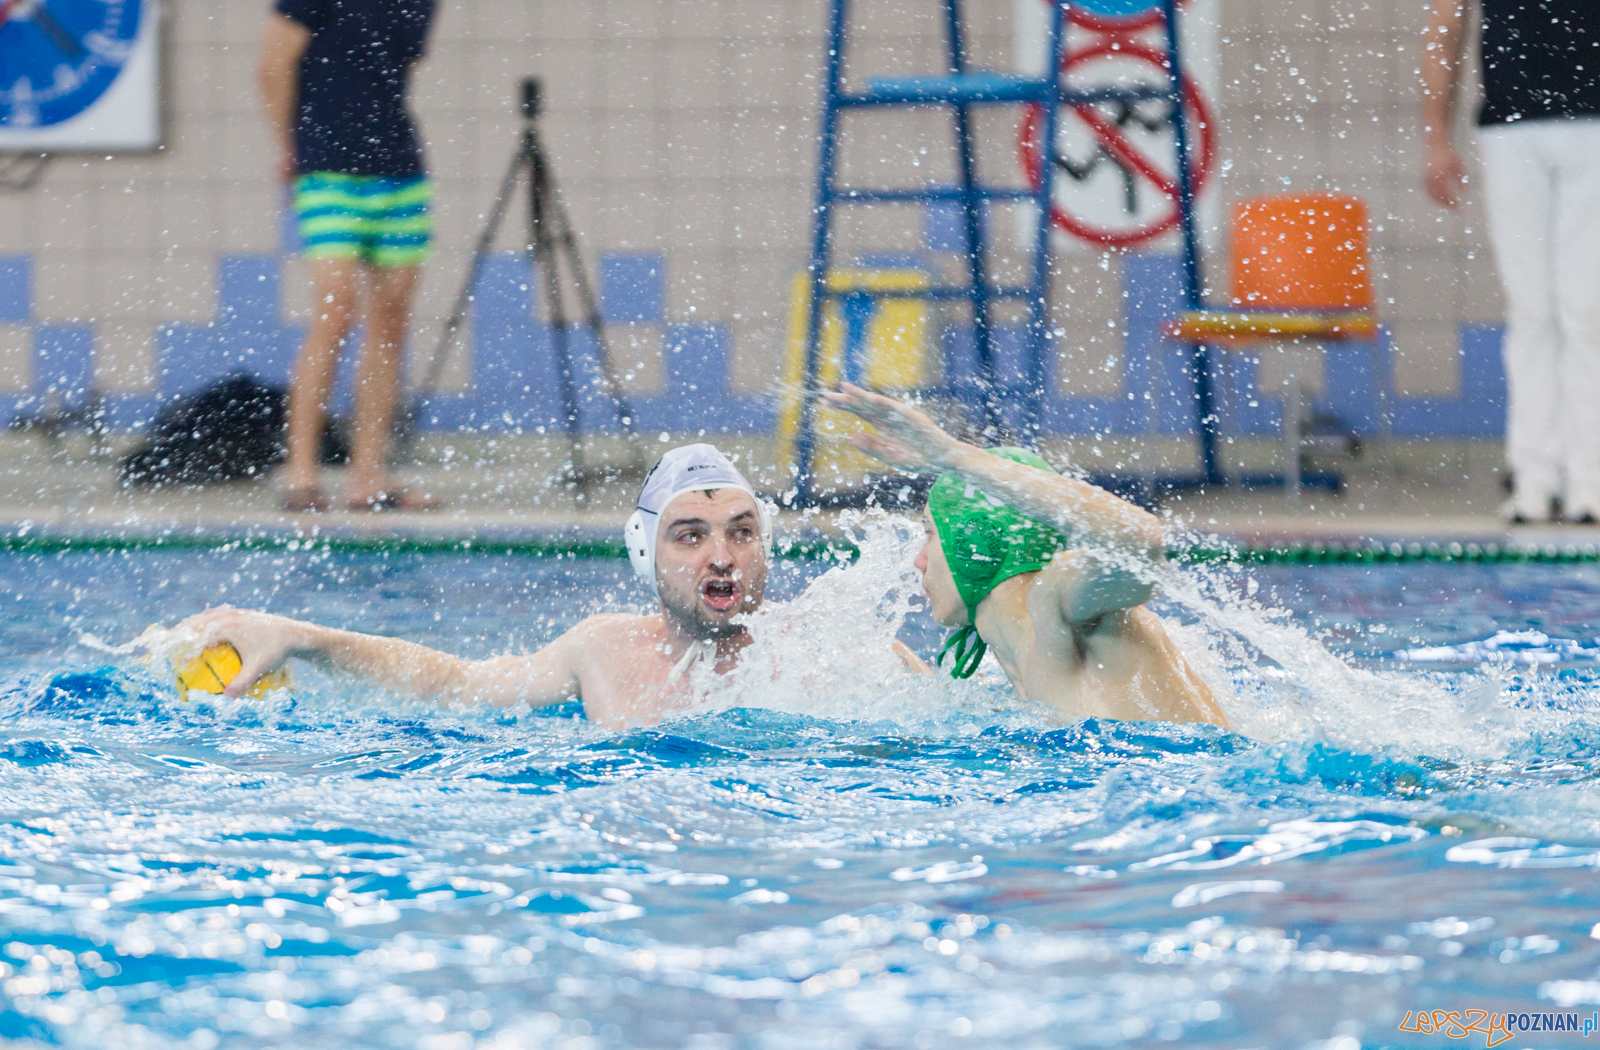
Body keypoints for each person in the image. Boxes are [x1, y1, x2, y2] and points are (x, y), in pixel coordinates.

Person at [178, 446, 788, 728]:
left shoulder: (828, 646)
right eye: (689, 537)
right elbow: (456, 686)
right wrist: (299, 636)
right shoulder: (600, 652)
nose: (722, 558)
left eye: (741, 532)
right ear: (643, 554)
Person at [822, 384, 1227, 728]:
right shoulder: (1024, 660)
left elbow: (1139, 543)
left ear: (976, 543)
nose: (918, 561)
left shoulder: (1056, 600)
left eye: (930, 533)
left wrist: (953, 456)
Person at [1422, 0, 1600, 524]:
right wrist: (1435, 134)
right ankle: (1536, 477)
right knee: (1537, 311)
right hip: (1511, 128)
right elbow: (1446, 25)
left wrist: (1436, 135)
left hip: (1586, 125)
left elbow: (1445, 28)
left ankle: (1586, 478)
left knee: (1584, 311)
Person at [258, 0, 439, 512]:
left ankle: (368, 476)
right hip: (326, 168)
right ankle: (301, 472)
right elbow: (271, 67)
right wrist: (291, 150)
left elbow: (393, 78)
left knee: (390, 319)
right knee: (336, 311)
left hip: (401, 170)